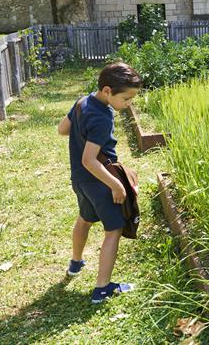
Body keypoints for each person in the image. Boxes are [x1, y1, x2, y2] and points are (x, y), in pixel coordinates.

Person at [57, 62, 142, 304]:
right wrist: (116, 184)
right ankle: (102, 289)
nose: (129, 104)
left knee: (84, 219)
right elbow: (89, 160)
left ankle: (75, 263)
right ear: (107, 91)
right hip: (99, 181)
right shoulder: (103, 117)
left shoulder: (82, 103)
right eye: (126, 98)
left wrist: (82, 133)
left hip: (80, 181)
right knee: (113, 230)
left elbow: (62, 129)